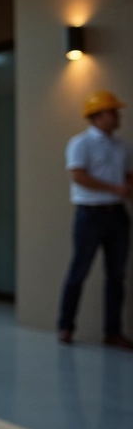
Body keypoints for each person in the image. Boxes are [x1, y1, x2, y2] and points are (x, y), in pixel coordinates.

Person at [57, 91, 133, 349]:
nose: (117, 116)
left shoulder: (122, 146)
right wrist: (114, 188)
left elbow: (128, 174)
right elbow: (78, 175)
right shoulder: (80, 143)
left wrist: (125, 188)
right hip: (90, 214)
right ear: (98, 116)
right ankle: (66, 325)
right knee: (79, 271)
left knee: (116, 275)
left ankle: (113, 331)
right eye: (112, 111)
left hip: (117, 215)